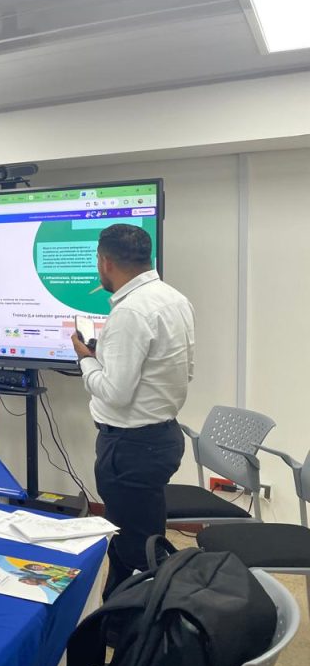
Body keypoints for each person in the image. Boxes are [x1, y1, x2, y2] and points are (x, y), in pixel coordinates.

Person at [72, 223, 195, 599]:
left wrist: (86, 360)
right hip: (160, 437)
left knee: (136, 549)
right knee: (138, 538)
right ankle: (124, 610)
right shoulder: (174, 299)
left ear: (105, 262)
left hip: (131, 447)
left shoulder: (130, 313)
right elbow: (184, 370)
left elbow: (115, 394)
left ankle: (135, 620)